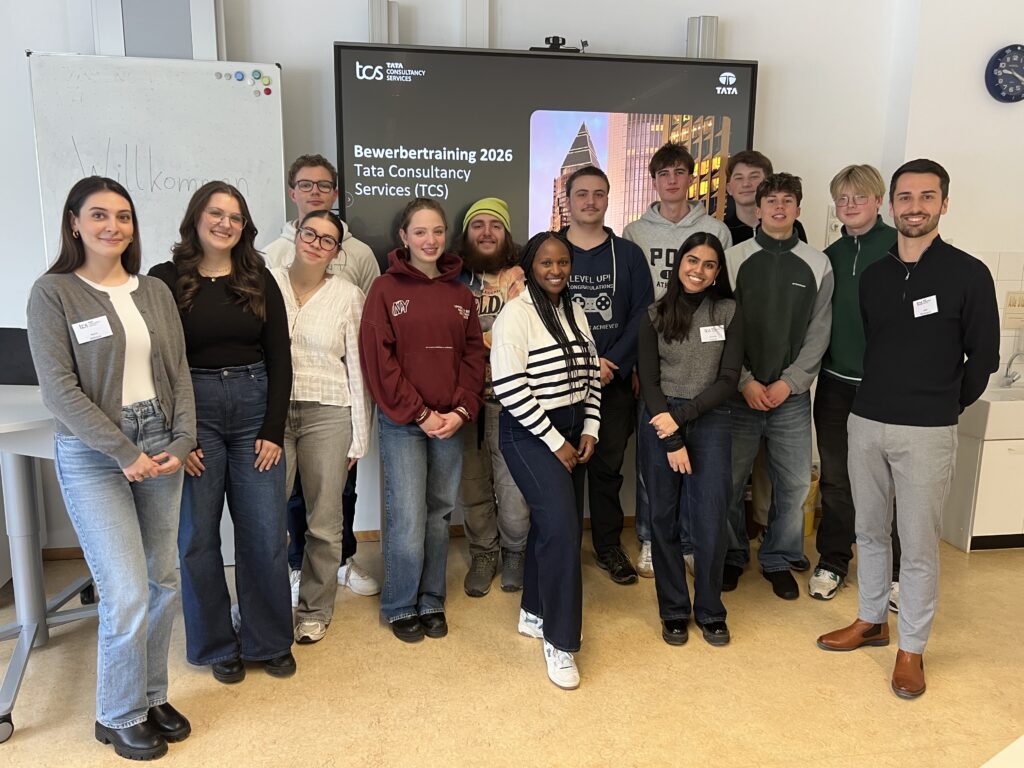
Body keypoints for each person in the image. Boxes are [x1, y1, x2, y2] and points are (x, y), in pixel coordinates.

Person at [817, 159, 999, 700]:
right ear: (892, 204)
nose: (915, 207)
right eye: (906, 197)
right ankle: (872, 620)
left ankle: (912, 648)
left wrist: (944, 405)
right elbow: (881, 344)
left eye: (927, 197)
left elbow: (983, 358)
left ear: (944, 204)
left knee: (917, 545)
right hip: (866, 420)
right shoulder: (875, 276)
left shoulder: (968, 274)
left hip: (927, 430)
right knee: (870, 530)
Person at [27, 176, 195, 760]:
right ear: (74, 222)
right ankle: (117, 713)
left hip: (161, 439)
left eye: (123, 216)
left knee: (162, 579)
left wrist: (183, 438)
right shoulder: (53, 293)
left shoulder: (154, 291)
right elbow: (59, 392)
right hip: (95, 451)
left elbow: (178, 372)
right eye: (98, 215)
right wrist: (124, 452)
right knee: (125, 590)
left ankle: (150, 695)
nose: (112, 226)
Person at [150, 181, 295, 683]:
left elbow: (280, 355)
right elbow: (156, 362)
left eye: (235, 217)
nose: (225, 224)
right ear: (197, 217)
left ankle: (268, 640)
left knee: (265, 532)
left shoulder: (259, 277)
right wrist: (179, 436)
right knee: (197, 537)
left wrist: (273, 428)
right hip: (195, 414)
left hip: (255, 410)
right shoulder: (165, 279)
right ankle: (215, 645)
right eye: (216, 213)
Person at [359, 197, 486, 643]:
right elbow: (379, 361)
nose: (429, 240)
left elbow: (474, 356)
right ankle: (400, 603)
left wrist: (460, 411)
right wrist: (421, 413)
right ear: (404, 237)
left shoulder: (461, 294)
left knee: (439, 513)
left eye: (437, 231)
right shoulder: (385, 289)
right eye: (420, 232)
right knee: (407, 517)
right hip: (405, 423)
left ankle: (431, 598)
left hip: (450, 422)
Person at [263, 153, 380, 603]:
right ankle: (295, 568)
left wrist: (360, 432)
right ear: (293, 192)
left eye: (324, 185)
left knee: (334, 500)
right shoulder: (267, 265)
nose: (315, 192)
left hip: (330, 404)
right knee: (282, 501)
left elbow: (363, 343)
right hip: (277, 406)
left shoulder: (358, 262)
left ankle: (339, 564)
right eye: (306, 184)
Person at [492, 231, 601, 689]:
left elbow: (591, 374)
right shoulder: (516, 315)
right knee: (563, 531)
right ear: (530, 267)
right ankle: (561, 640)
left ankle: (534, 612)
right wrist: (556, 441)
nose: (556, 271)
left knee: (552, 528)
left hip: (574, 433)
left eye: (563, 262)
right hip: (530, 435)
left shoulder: (575, 310)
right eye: (546, 263)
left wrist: (591, 428)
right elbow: (509, 387)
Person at [623, 142, 733, 577]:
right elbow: (634, 299)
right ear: (653, 180)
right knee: (654, 464)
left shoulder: (715, 229)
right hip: (656, 359)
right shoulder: (635, 231)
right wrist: (639, 364)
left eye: (679, 172)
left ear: (691, 177)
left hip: (703, 368)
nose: (672, 180)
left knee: (697, 467)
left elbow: (723, 298)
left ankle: (687, 542)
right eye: (663, 173)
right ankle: (651, 539)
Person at [723, 172, 833, 599]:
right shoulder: (733, 260)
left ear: (798, 209)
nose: (779, 207)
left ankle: (778, 558)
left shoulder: (817, 263)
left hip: (791, 397)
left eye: (788, 201)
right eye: (772, 201)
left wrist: (791, 383)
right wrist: (745, 381)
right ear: (758, 209)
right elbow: (721, 326)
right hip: (740, 395)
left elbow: (819, 332)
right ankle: (733, 554)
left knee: (794, 483)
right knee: (730, 481)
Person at [271, 210, 371, 644]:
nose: (316, 243)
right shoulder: (266, 282)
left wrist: (359, 436)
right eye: (310, 233)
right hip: (271, 414)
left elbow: (358, 369)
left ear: (336, 252)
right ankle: (267, 609)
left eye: (327, 240)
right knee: (266, 518)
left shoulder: (348, 295)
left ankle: (314, 610)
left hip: (329, 412)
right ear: (296, 235)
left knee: (324, 522)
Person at [637, 232, 741, 647]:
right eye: (692, 261)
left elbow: (729, 379)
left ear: (718, 273)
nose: (698, 270)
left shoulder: (728, 311)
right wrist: (670, 434)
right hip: (660, 418)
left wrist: (680, 420)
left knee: (710, 519)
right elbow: (649, 381)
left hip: (709, 420)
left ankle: (711, 610)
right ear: (679, 264)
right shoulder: (655, 314)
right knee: (662, 518)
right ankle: (674, 609)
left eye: (709, 264)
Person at [809, 165, 902, 603]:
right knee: (836, 480)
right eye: (842, 199)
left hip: (888, 389)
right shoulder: (830, 256)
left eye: (859, 198)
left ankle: (896, 574)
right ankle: (833, 561)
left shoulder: (901, 247)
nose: (849, 206)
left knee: (893, 484)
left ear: (879, 201)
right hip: (835, 386)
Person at [562, 165, 654, 584]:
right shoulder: (548, 249)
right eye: (581, 193)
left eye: (598, 193)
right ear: (567, 199)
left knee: (606, 470)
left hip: (612, 381)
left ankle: (608, 547)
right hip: (560, 384)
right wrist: (584, 364)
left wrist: (610, 362)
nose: (590, 201)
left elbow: (642, 315)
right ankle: (561, 548)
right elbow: (537, 314)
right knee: (562, 469)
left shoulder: (629, 255)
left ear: (607, 199)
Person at [455, 197, 530, 596]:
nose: (487, 232)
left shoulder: (521, 278)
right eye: (478, 225)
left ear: (506, 233)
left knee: (514, 488)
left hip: (512, 400)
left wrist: (479, 341)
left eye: (495, 225)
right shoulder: (451, 279)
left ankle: (515, 552)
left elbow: (522, 336)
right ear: (466, 233)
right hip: (463, 403)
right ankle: (484, 552)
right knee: (472, 487)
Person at [723, 150, 808, 245]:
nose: (746, 184)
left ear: (767, 183)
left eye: (754, 177)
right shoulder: (722, 231)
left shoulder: (793, 227)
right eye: (739, 178)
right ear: (729, 188)